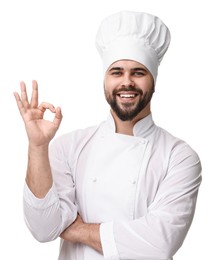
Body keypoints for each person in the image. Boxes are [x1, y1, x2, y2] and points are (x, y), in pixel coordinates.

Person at [14, 11, 202, 260]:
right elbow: (43, 228)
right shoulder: (69, 147)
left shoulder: (179, 156)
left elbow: (160, 243)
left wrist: (77, 229)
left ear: (153, 80)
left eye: (138, 72)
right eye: (117, 72)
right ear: (105, 81)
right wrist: (38, 146)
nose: (127, 82)